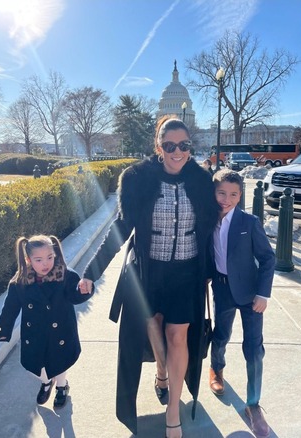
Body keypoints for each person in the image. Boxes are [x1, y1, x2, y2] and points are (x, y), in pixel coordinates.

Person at [83, 116, 218, 437]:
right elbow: (121, 225)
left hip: (186, 274)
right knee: (154, 331)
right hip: (149, 272)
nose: (177, 152)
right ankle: (161, 371)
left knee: (178, 336)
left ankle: (173, 409)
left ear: (190, 147)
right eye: (169, 145)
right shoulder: (138, 178)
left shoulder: (201, 180)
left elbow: (212, 230)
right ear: (158, 146)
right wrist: (91, 271)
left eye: (184, 146)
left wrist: (213, 272)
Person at [207, 169, 276, 438]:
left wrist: (263, 293)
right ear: (214, 193)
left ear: (240, 195)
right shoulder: (207, 220)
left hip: (250, 295)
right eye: (222, 193)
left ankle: (253, 405)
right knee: (221, 335)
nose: (227, 199)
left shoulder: (249, 222)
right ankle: (217, 368)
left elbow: (268, 259)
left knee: (254, 349)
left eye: (234, 194)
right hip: (222, 289)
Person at [0, 235, 94, 408]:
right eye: (38, 260)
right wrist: (3, 330)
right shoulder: (20, 282)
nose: (45, 264)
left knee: (60, 361)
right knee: (34, 365)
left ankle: (62, 386)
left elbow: (74, 295)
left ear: (55, 254)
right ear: (28, 259)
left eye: (49, 257)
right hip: (35, 332)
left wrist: (84, 290)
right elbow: (11, 308)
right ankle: (46, 382)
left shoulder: (65, 276)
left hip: (61, 329)